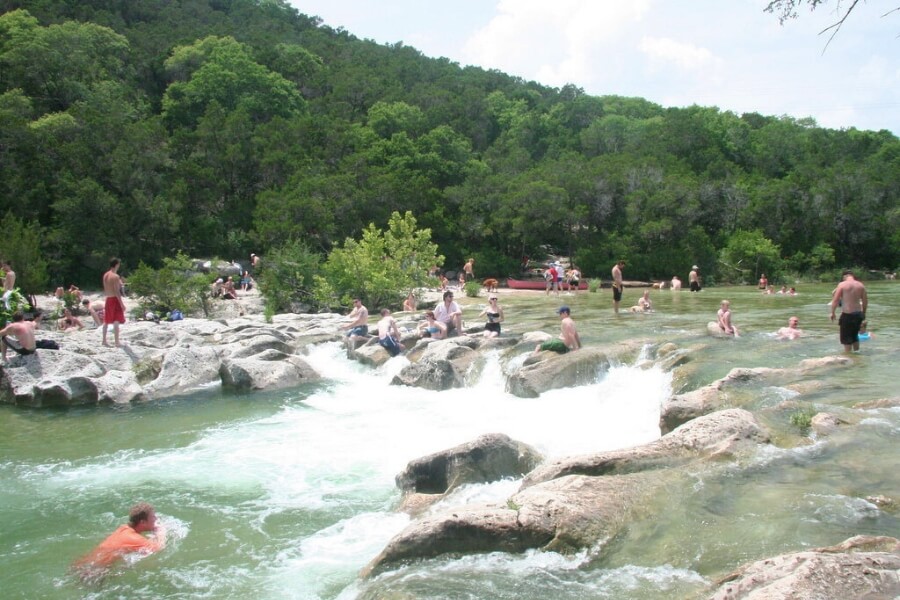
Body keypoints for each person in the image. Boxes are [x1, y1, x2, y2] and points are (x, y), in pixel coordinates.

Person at [72, 502, 167, 579]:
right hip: (94, 572)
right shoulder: (134, 538)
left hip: (83, 565)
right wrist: (161, 532)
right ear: (142, 522)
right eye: (153, 517)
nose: (156, 519)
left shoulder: (124, 528)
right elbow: (159, 548)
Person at [830, 269, 868, 352]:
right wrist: (864, 313)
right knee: (855, 336)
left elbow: (835, 300)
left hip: (848, 314)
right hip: (858, 314)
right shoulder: (861, 285)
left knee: (846, 339)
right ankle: (857, 354)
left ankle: (849, 357)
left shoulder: (842, 284)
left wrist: (832, 312)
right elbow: (865, 301)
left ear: (845, 276)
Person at [102, 258, 126, 348]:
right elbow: (117, 291)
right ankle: (117, 342)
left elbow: (105, 288)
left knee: (106, 320)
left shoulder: (106, 275)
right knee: (116, 320)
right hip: (114, 299)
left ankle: (104, 340)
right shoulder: (115, 276)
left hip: (108, 298)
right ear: (116, 265)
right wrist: (122, 304)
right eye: (119, 264)